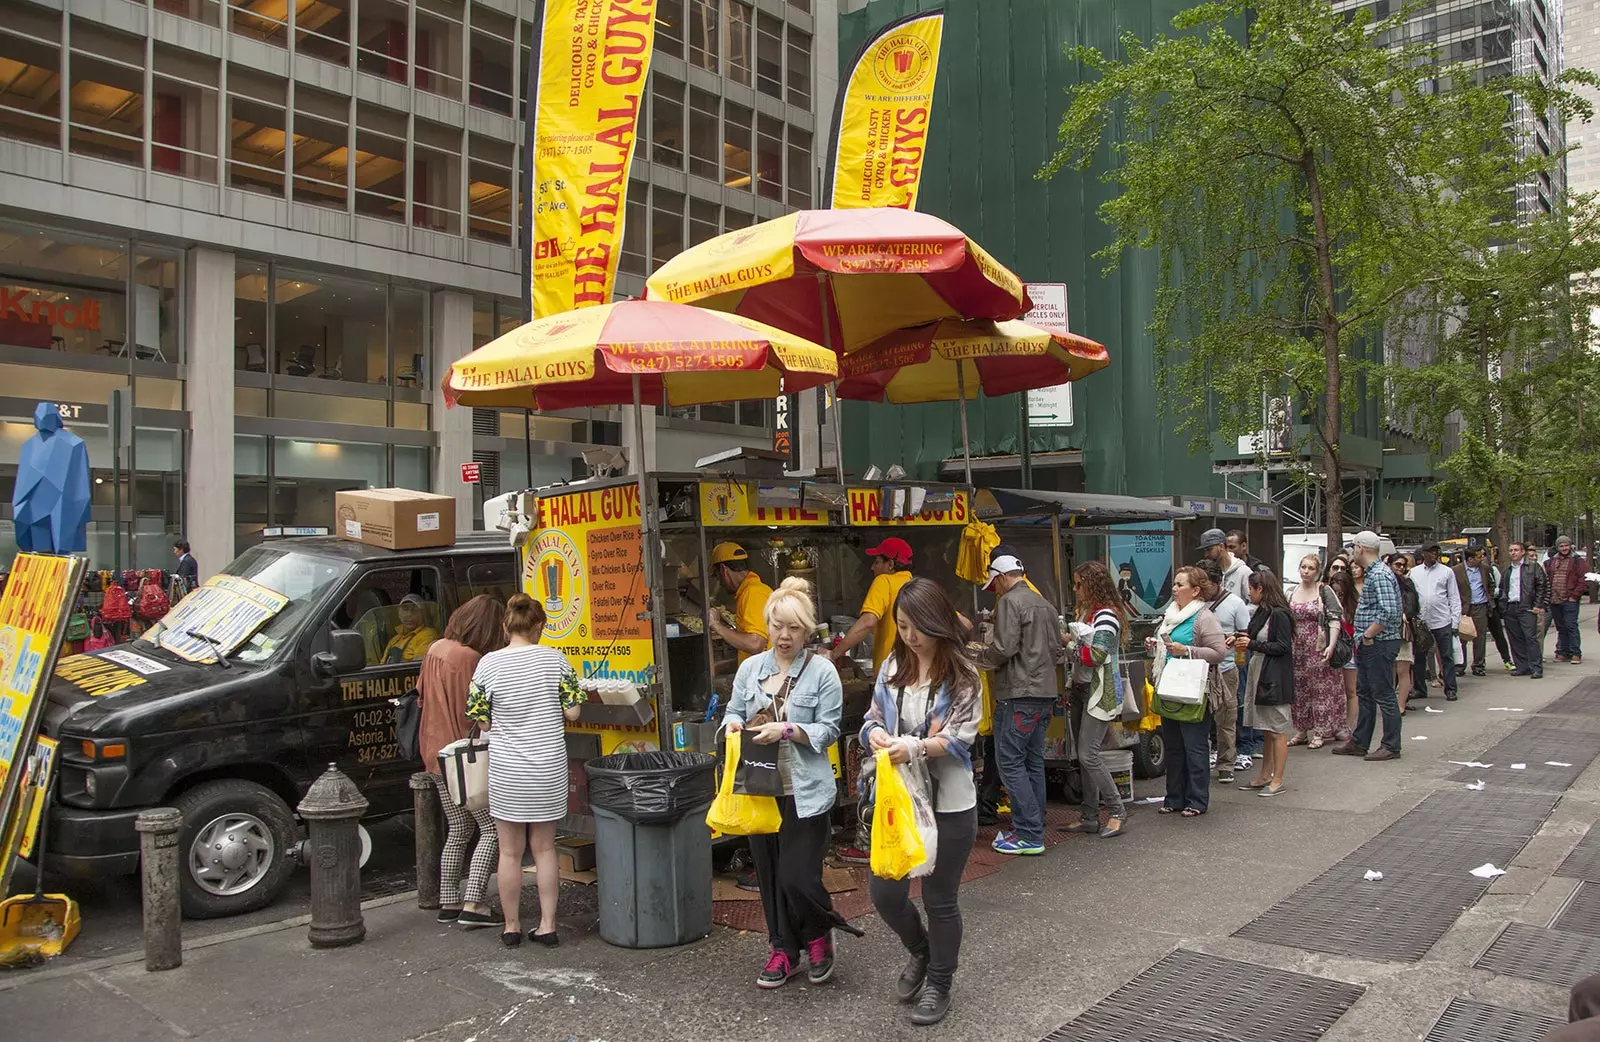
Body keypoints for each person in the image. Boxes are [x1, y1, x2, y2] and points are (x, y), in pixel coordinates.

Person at [723, 577, 859, 989]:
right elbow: (733, 709)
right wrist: (731, 724)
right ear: (767, 625)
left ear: (807, 630)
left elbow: (829, 731)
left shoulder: (822, 673)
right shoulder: (750, 669)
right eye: (778, 626)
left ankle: (819, 934)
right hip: (760, 788)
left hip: (806, 791)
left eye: (794, 628)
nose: (785, 636)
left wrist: (787, 731)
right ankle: (783, 948)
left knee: (797, 876)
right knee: (768, 876)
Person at [862, 578, 983, 1026]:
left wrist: (912, 747)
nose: (910, 636)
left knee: (939, 898)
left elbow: (960, 738)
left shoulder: (964, 675)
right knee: (884, 891)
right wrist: (872, 733)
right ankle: (922, 950)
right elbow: (871, 717)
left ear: (938, 623)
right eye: (902, 626)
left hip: (950, 800)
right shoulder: (893, 665)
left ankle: (939, 981)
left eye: (918, 627)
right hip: (900, 801)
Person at [466, 594, 584, 947]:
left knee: (509, 852)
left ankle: (512, 926)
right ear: (539, 627)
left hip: (508, 769)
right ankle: (548, 925)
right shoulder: (556, 661)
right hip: (548, 767)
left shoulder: (488, 665)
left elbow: (481, 720)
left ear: (506, 626)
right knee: (546, 849)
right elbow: (574, 713)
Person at [418, 595, 506, 928]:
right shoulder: (470, 658)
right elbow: (479, 712)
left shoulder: (435, 648)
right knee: (493, 828)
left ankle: (448, 901)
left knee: (459, 828)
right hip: (464, 757)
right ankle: (474, 903)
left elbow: (423, 696)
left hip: (435, 753)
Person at [979, 552, 1059, 855]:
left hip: (1018, 692)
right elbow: (1054, 646)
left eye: (994, 584)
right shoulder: (1044, 602)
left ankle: (1028, 833)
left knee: (1010, 761)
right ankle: (1033, 823)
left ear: (1000, 577)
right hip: (1044, 690)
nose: (994, 590)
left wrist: (980, 657)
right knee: (1032, 761)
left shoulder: (1010, 602)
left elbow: (1003, 648)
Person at [1150, 565, 1229, 818]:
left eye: (1180, 585)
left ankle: (1197, 800)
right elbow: (1166, 646)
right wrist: (1155, 645)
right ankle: (1174, 797)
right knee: (1173, 747)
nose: (1174, 589)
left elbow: (1219, 653)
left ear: (1195, 591)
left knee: (1195, 747)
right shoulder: (1170, 614)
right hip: (1169, 687)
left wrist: (1187, 651)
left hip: (1193, 690)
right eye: (1174, 584)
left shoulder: (1204, 617)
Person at [1061, 561, 1128, 838]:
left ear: (1092, 585)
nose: (1075, 590)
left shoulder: (1106, 616)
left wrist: (1069, 644)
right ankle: (1089, 816)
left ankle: (1116, 811)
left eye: (1079, 584)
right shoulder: (1091, 614)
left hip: (1098, 691)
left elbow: (1095, 656)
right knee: (1085, 755)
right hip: (1083, 687)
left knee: (1088, 754)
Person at [1331, 532, 1405, 761]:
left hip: (1379, 643)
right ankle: (1360, 741)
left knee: (1383, 693)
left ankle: (1391, 745)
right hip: (1371, 643)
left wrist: (1369, 635)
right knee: (1365, 692)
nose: (1352, 552)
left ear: (1361, 548)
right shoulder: (1376, 573)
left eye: (1354, 547)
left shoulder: (1380, 575)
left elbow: (1389, 611)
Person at [1240, 571, 1295, 796]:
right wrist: (1240, 638)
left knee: (1277, 729)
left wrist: (1252, 644)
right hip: (1260, 670)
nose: (1248, 593)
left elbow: (1283, 646)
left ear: (1260, 589)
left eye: (1251, 589)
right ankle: (1265, 775)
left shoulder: (1279, 614)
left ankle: (1278, 779)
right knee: (1265, 727)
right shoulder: (1263, 612)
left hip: (1273, 674)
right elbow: (1252, 636)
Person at [828, 537, 915, 674]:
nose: (872, 567)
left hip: (890, 674)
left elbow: (867, 622)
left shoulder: (884, 581)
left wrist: (834, 654)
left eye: (877, 562)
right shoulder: (917, 586)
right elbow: (954, 618)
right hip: (914, 672)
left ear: (890, 564)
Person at [1199, 557, 1252, 783]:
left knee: (1226, 718)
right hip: (1199, 668)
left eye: (1206, 586)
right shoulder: (1194, 603)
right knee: (1198, 718)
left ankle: (1226, 763)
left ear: (1217, 581)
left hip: (1226, 668)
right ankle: (1201, 762)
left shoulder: (1235, 604)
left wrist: (1234, 639)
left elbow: (1245, 634)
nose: (1202, 591)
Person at [1288, 554, 1345, 749]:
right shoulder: (1291, 591)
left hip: (1317, 645)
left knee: (1320, 689)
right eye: (1303, 567)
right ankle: (1301, 730)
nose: (1306, 571)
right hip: (1296, 647)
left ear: (1317, 571)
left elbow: (1335, 618)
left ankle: (1320, 731)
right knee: (1299, 689)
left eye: (1311, 568)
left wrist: (1331, 645)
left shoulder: (1324, 590)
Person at [705, 542, 772, 664]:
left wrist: (716, 625)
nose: (719, 582)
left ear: (724, 570)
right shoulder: (752, 590)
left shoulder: (753, 593)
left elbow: (755, 644)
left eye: (717, 576)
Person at [1411, 544, 1462, 702]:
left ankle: (1451, 688)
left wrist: (1455, 621)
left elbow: (1453, 597)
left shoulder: (1447, 572)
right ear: (1423, 554)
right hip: (1421, 621)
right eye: (1431, 552)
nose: (1434, 555)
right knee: (1419, 656)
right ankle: (1420, 688)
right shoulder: (1414, 572)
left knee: (1446, 656)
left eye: (1436, 553)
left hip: (1442, 619)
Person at [1499, 541, 1549, 679]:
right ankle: (1522, 666)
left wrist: (1538, 605)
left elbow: (1541, 586)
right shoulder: (1507, 570)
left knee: (1530, 637)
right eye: (1511, 550)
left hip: (1527, 607)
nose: (1513, 553)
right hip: (1510, 607)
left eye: (1516, 550)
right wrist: (1503, 607)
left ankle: (1536, 667)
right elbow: (1503, 588)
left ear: (1522, 552)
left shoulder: (1533, 567)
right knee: (1515, 638)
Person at [1325, 557, 1359, 739]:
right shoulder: (1325, 601)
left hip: (1348, 653)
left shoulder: (1354, 606)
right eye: (1335, 593)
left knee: (1350, 690)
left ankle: (1349, 726)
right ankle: (1333, 724)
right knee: (1332, 690)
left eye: (1341, 594)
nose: (1338, 597)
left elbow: (1354, 629)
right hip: (1330, 651)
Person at [1453, 546, 1495, 677]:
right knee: (1462, 638)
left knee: (1480, 637)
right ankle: (1460, 665)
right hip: (1464, 607)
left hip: (1480, 606)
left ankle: (1478, 665)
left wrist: (1489, 597)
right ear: (1470, 558)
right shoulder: (1456, 570)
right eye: (1479, 556)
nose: (1482, 558)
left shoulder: (1485, 569)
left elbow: (1490, 584)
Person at [1547, 535, 1586, 664]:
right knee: (1561, 627)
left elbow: (1583, 579)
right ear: (1557, 547)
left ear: (1570, 546)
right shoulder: (1552, 561)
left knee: (1571, 626)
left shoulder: (1577, 561)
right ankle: (1563, 652)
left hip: (1570, 600)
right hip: (1555, 599)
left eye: (1566, 545)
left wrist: (1574, 596)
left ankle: (1575, 653)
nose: (1564, 548)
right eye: (1561, 546)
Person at [1389, 554, 1420, 713]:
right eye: (1397, 564)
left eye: (1403, 565)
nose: (1401, 568)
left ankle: (1401, 704)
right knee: (1389, 670)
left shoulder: (1407, 583)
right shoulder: (1385, 582)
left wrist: (1405, 615)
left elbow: (1414, 606)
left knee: (1403, 669)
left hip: (1403, 630)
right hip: (1385, 630)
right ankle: (1391, 703)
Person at [382, 594, 440, 663]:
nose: (409, 614)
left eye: (414, 610)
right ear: (399, 613)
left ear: (422, 614)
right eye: (405, 609)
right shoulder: (394, 640)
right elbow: (382, 664)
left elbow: (418, 667)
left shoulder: (428, 635)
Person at [1199, 527, 1253, 601]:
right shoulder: (1210, 572)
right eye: (1205, 550)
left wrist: (1238, 611)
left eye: (1209, 549)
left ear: (1221, 546)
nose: (1206, 554)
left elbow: (1254, 604)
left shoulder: (1243, 571)